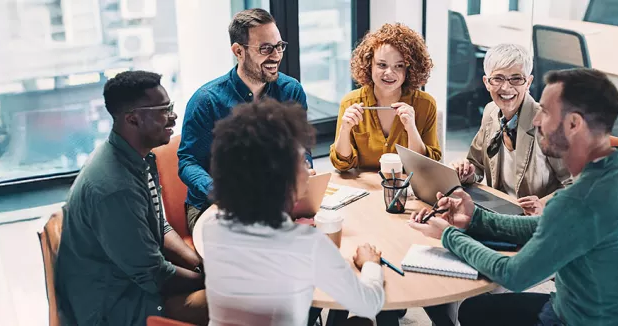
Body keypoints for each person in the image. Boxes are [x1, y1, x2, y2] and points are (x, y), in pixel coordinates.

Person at [408, 68, 618, 326]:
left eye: (544, 111)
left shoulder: (580, 201)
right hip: (605, 310)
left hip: (574, 320)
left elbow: (512, 275)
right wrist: (474, 218)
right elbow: (544, 227)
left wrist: (448, 235)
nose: (535, 120)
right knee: (476, 310)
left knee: (475, 311)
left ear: (573, 124)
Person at [200, 100, 385, 326]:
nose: (308, 170)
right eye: (300, 162)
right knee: (362, 319)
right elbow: (369, 303)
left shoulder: (211, 227)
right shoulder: (306, 244)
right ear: (279, 176)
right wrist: (370, 264)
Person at [54, 71, 208, 326]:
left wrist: (198, 264)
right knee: (239, 300)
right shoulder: (115, 188)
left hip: (131, 282)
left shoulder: (137, 157)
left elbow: (159, 225)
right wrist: (213, 280)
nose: (173, 116)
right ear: (132, 119)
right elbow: (155, 275)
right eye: (164, 110)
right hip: (115, 307)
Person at [180, 8, 312, 235]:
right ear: (238, 51)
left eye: (279, 46)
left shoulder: (291, 91)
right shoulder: (206, 100)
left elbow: (302, 148)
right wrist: (220, 192)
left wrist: (305, 167)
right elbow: (187, 161)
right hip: (212, 205)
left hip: (274, 198)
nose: (277, 56)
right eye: (265, 48)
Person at [452, 44, 572, 216]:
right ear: (486, 82)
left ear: (528, 82)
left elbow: (576, 183)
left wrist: (544, 204)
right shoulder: (490, 112)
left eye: (516, 79)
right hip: (498, 212)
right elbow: (476, 165)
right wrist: (465, 171)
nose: (506, 88)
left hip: (536, 222)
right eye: (498, 78)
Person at [331, 23, 440, 171]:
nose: (389, 73)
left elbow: (426, 166)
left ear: (410, 69)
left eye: (399, 66)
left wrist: (411, 128)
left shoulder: (426, 105)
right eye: (382, 65)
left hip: (407, 189)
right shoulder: (351, 102)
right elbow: (342, 164)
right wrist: (345, 129)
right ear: (369, 65)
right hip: (365, 189)